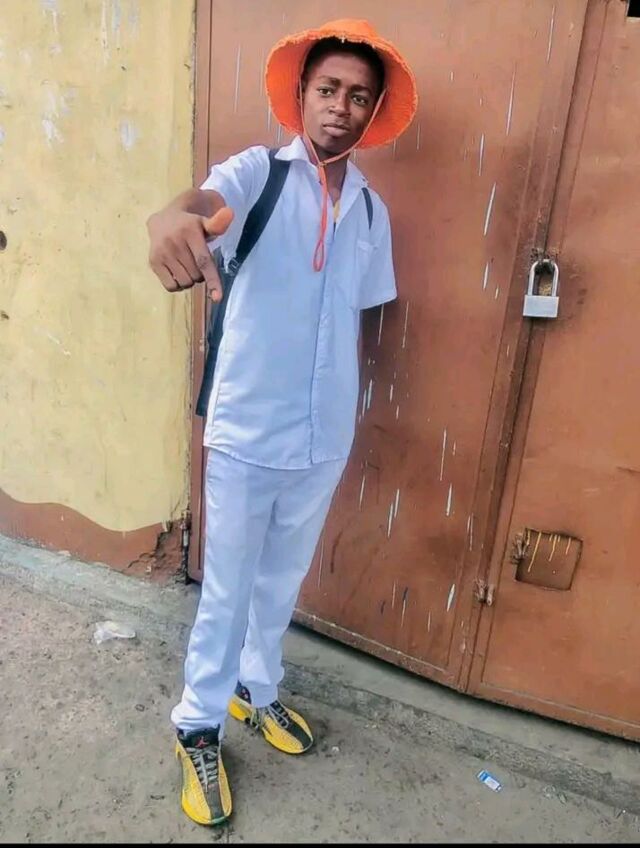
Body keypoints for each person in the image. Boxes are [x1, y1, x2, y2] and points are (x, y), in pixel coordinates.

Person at [146, 18, 417, 827]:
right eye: (327, 89)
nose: (340, 106)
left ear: (373, 113)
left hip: (322, 434)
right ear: (301, 94)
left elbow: (355, 313)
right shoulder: (256, 175)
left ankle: (254, 690)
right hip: (248, 430)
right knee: (228, 589)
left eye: (358, 96)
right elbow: (198, 205)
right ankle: (197, 724)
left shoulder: (370, 212)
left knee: (281, 579)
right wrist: (169, 218)